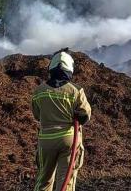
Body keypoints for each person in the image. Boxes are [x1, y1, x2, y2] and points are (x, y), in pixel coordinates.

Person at [32, 49, 92, 191]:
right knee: (66, 179)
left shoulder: (39, 91)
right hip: (68, 140)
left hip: (46, 140)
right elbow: (85, 115)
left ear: (51, 69)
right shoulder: (76, 90)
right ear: (69, 70)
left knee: (44, 178)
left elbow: (36, 114)